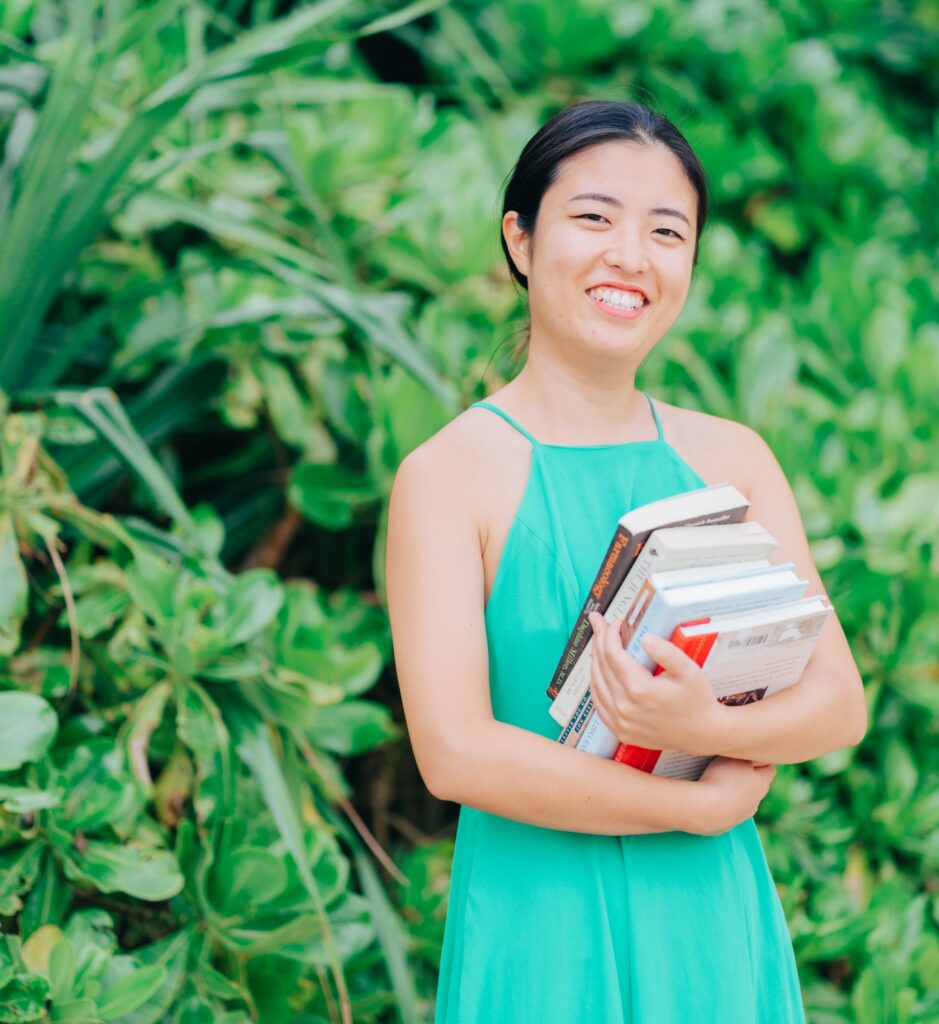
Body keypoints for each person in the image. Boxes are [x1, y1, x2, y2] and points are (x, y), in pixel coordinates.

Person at [384, 100, 867, 1023]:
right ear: (521, 240)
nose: (630, 257)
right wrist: (693, 807)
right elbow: (454, 753)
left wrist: (701, 721)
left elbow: (836, 703)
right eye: (594, 218)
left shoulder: (732, 458)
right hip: (540, 928)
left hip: (710, 924)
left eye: (666, 230)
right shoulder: (449, 475)